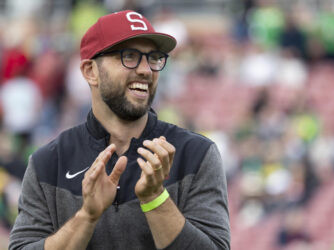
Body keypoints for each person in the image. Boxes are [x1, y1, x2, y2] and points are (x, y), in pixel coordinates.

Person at [9, 10, 230, 250]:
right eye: (130, 56)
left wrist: (155, 199)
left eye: (153, 57)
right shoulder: (49, 162)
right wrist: (87, 216)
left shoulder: (196, 154)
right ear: (90, 72)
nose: (146, 70)